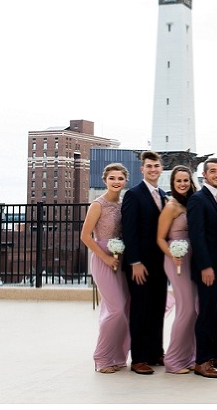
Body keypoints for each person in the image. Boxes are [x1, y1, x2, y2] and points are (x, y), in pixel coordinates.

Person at [80, 163, 131, 373]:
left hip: (121, 259)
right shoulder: (97, 205)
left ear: (125, 180)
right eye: (112, 178)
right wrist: (105, 258)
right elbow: (85, 236)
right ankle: (101, 357)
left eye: (120, 178)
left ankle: (117, 356)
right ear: (105, 180)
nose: (116, 182)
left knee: (125, 309)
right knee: (116, 309)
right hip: (103, 260)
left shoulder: (124, 204)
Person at [187, 157, 217, 378]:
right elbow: (196, 236)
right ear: (204, 175)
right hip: (207, 269)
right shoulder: (198, 199)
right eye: (213, 171)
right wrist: (205, 266)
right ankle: (202, 362)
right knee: (206, 314)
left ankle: (214, 355)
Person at [121, 151, 168, 375]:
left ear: (161, 169)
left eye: (156, 166)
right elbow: (128, 232)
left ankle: (155, 352)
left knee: (158, 308)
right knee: (140, 310)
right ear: (142, 169)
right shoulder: (133, 194)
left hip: (160, 263)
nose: (153, 169)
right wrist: (135, 262)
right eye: (149, 166)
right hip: (140, 264)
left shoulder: (163, 195)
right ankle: (139, 358)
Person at [155, 165, 198, 374]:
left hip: (193, 259)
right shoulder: (170, 206)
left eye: (186, 180)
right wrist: (173, 255)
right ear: (173, 183)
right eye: (178, 181)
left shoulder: (192, 202)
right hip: (177, 260)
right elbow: (160, 238)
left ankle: (189, 357)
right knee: (186, 309)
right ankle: (173, 360)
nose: (182, 184)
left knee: (195, 309)